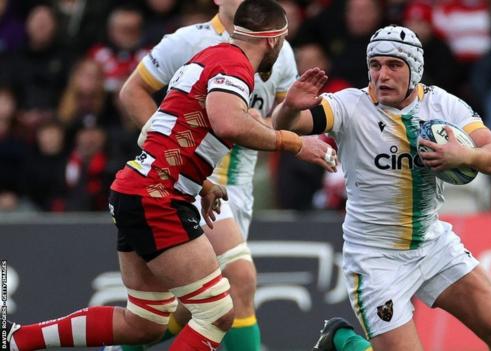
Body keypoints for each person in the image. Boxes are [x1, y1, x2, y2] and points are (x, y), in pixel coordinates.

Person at [6, 1, 335, 350]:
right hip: (160, 197)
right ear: (273, 40)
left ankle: (17, 339)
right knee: (219, 310)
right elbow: (229, 122)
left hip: (144, 187)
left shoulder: (210, 57)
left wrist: (200, 181)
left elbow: (163, 131)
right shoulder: (233, 63)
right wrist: (295, 144)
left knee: (146, 322)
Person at [272, 25, 491, 351]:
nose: (382, 75)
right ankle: (343, 341)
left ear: (414, 68)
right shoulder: (349, 106)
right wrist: (290, 107)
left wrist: (466, 154)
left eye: (394, 65)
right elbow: (285, 125)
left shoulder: (444, 105)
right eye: (375, 65)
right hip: (376, 258)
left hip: (432, 244)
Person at [111, 0, 334, 349]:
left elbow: (274, 122)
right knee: (240, 280)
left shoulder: (280, 50)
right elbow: (132, 91)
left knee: (184, 312)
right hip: (191, 181)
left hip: (237, 190)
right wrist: (167, 147)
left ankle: (122, 344)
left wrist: (287, 109)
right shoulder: (187, 41)